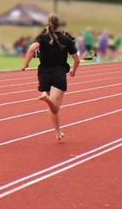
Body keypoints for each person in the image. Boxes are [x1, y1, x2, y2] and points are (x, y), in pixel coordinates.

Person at [21, 13, 80, 141]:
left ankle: (57, 132)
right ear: (59, 25)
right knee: (56, 106)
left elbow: (32, 49)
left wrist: (26, 64)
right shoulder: (66, 39)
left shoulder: (41, 38)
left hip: (44, 74)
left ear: (47, 25)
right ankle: (46, 99)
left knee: (53, 107)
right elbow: (77, 59)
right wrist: (74, 71)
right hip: (58, 74)